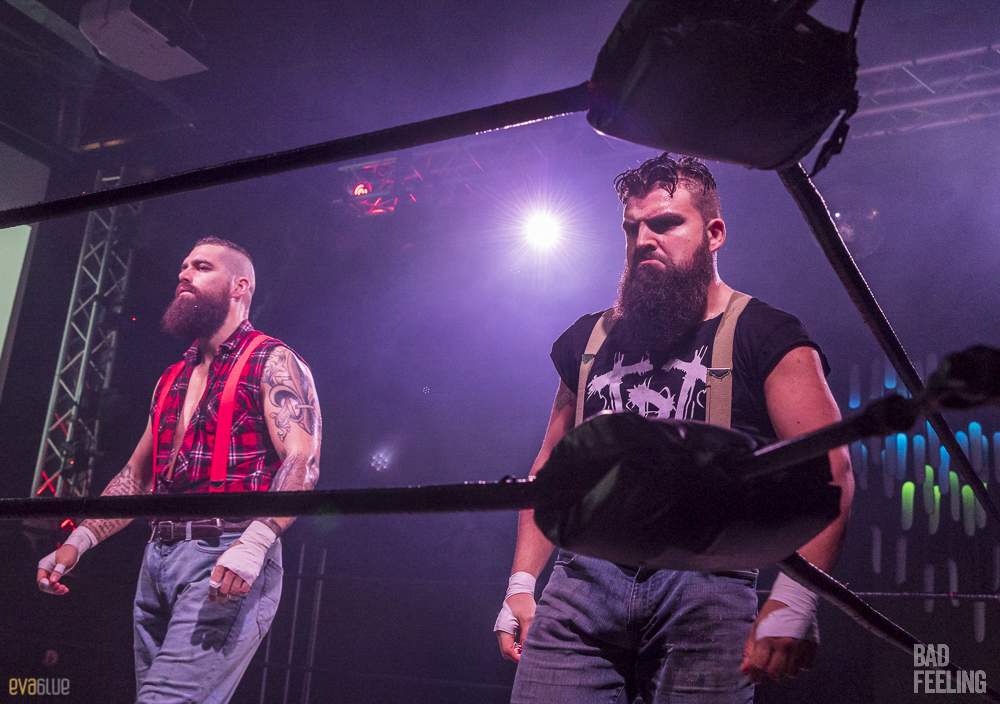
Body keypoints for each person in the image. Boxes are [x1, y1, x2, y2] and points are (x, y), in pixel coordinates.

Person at [494, 154, 854, 703]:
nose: (644, 240)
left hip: (708, 583)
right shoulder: (587, 341)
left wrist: (795, 599)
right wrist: (521, 584)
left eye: (665, 223)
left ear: (714, 233)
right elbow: (551, 472)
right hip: (584, 580)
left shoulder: (766, 334)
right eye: (632, 228)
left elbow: (831, 471)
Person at [35, 236, 322, 704]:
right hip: (158, 557)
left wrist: (255, 542)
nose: (185, 274)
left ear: (240, 286)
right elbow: (137, 476)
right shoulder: (172, 377)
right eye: (184, 266)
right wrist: (78, 541)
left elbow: (302, 460)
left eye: (202, 267)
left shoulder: (271, 361)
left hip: (226, 553)